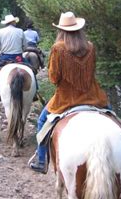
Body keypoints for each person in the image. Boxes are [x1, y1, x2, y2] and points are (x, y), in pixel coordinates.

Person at [28, 11, 109, 173]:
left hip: (65, 99)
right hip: (93, 96)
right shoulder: (90, 47)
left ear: (61, 30)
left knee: (42, 121)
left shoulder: (58, 48)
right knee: (114, 119)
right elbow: (92, 72)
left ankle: (42, 160)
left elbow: (53, 78)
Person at [0, 14, 27, 102]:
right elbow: (25, 46)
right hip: (18, 57)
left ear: (6, 23)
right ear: (13, 22)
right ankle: (35, 91)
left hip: (5, 57)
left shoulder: (0, 32)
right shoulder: (20, 31)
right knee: (31, 70)